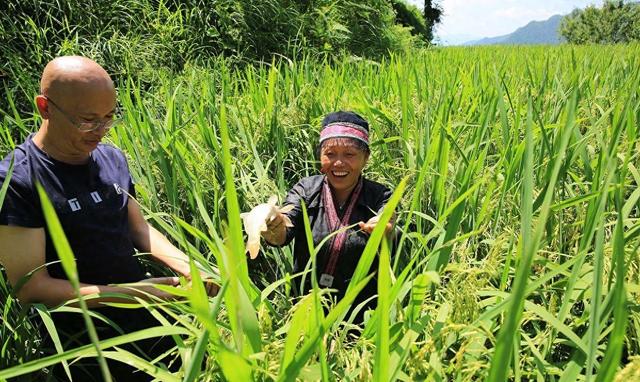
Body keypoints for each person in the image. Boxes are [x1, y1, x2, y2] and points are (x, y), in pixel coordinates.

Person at [0, 56, 217, 381]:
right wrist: (132, 294)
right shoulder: (18, 179)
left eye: (109, 118)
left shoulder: (111, 158)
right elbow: (31, 288)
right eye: (87, 120)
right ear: (45, 107)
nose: (100, 132)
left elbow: (138, 228)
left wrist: (187, 266)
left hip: (147, 322)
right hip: (83, 347)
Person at [262, 111, 394, 324]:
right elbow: (284, 228)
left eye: (350, 154)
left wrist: (385, 231)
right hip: (305, 309)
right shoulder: (306, 189)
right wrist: (274, 227)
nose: (339, 163)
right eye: (330, 154)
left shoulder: (380, 196)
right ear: (320, 156)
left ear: (366, 158)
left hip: (361, 315)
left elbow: (390, 227)